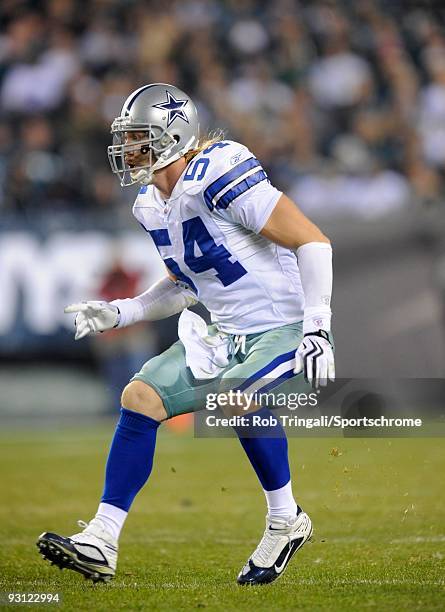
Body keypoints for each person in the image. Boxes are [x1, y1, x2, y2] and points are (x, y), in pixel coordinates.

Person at [37, 83, 335, 586]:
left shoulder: (218, 172)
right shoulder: (151, 204)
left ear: (172, 137)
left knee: (234, 395)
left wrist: (318, 326)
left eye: (139, 138)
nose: (129, 150)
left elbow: (313, 241)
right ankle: (101, 540)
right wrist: (123, 312)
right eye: (127, 139)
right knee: (140, 396)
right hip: (224, 333)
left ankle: (285, 520)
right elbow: (186, 286)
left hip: (283, 325)